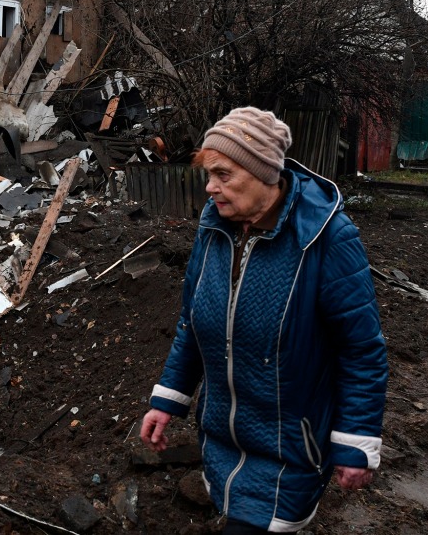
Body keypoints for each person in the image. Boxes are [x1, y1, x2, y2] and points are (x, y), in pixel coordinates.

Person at [139, 107, 387, 533]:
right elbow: (193, 324)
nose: (210, 188)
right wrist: (169, 400)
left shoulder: (325, 238)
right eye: (208, 175)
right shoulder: (214, 230)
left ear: (264, 173)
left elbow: (361, 350)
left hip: (290, 448)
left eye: (223, 175)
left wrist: (356, 443)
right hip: (222, 439)